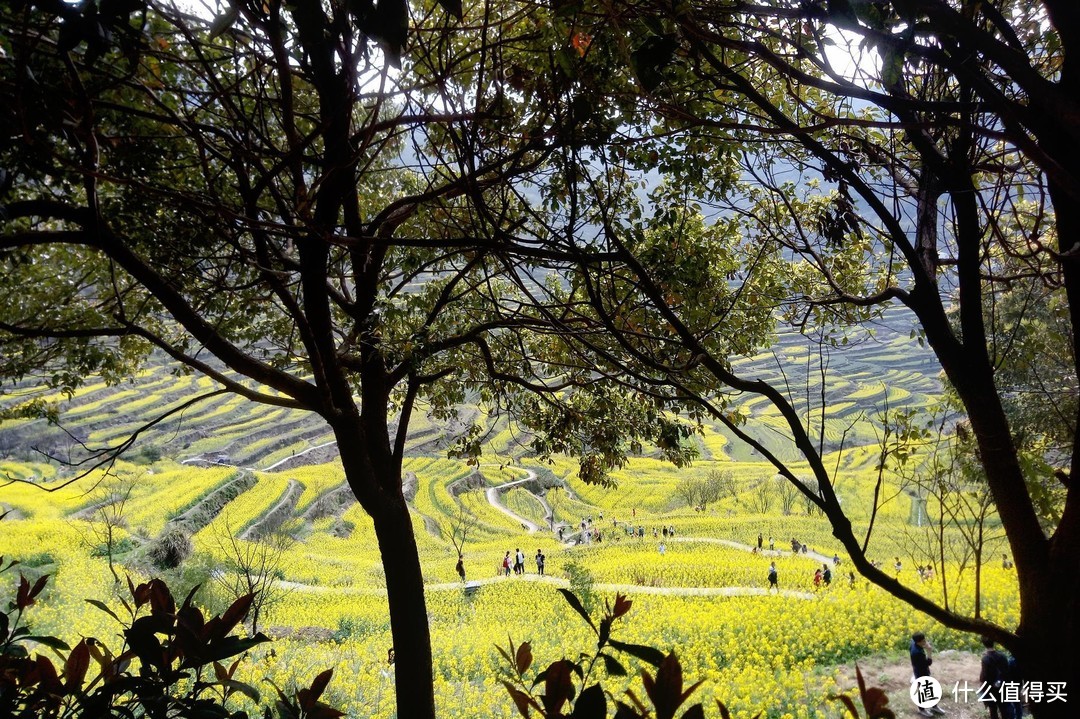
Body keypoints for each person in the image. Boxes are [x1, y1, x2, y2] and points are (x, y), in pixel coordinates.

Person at [909, 632, 946, 716]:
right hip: (920, 672)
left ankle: (934, 706)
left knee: (930, 688)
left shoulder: (913, 643)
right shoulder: (917, 653)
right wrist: (929, 651)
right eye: (923, 641)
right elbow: (928, 662)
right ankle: (921, 709)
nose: (925, 642)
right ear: (918, 642)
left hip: (919, 669)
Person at [980, 636, 1009, 719]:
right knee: (1004, 709)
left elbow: (984, 676)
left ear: (983, 644)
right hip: (1003, 686)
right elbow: (1007, 672)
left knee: (993, 710)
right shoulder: (1003, 656)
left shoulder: (985, 658)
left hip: (991, 688)